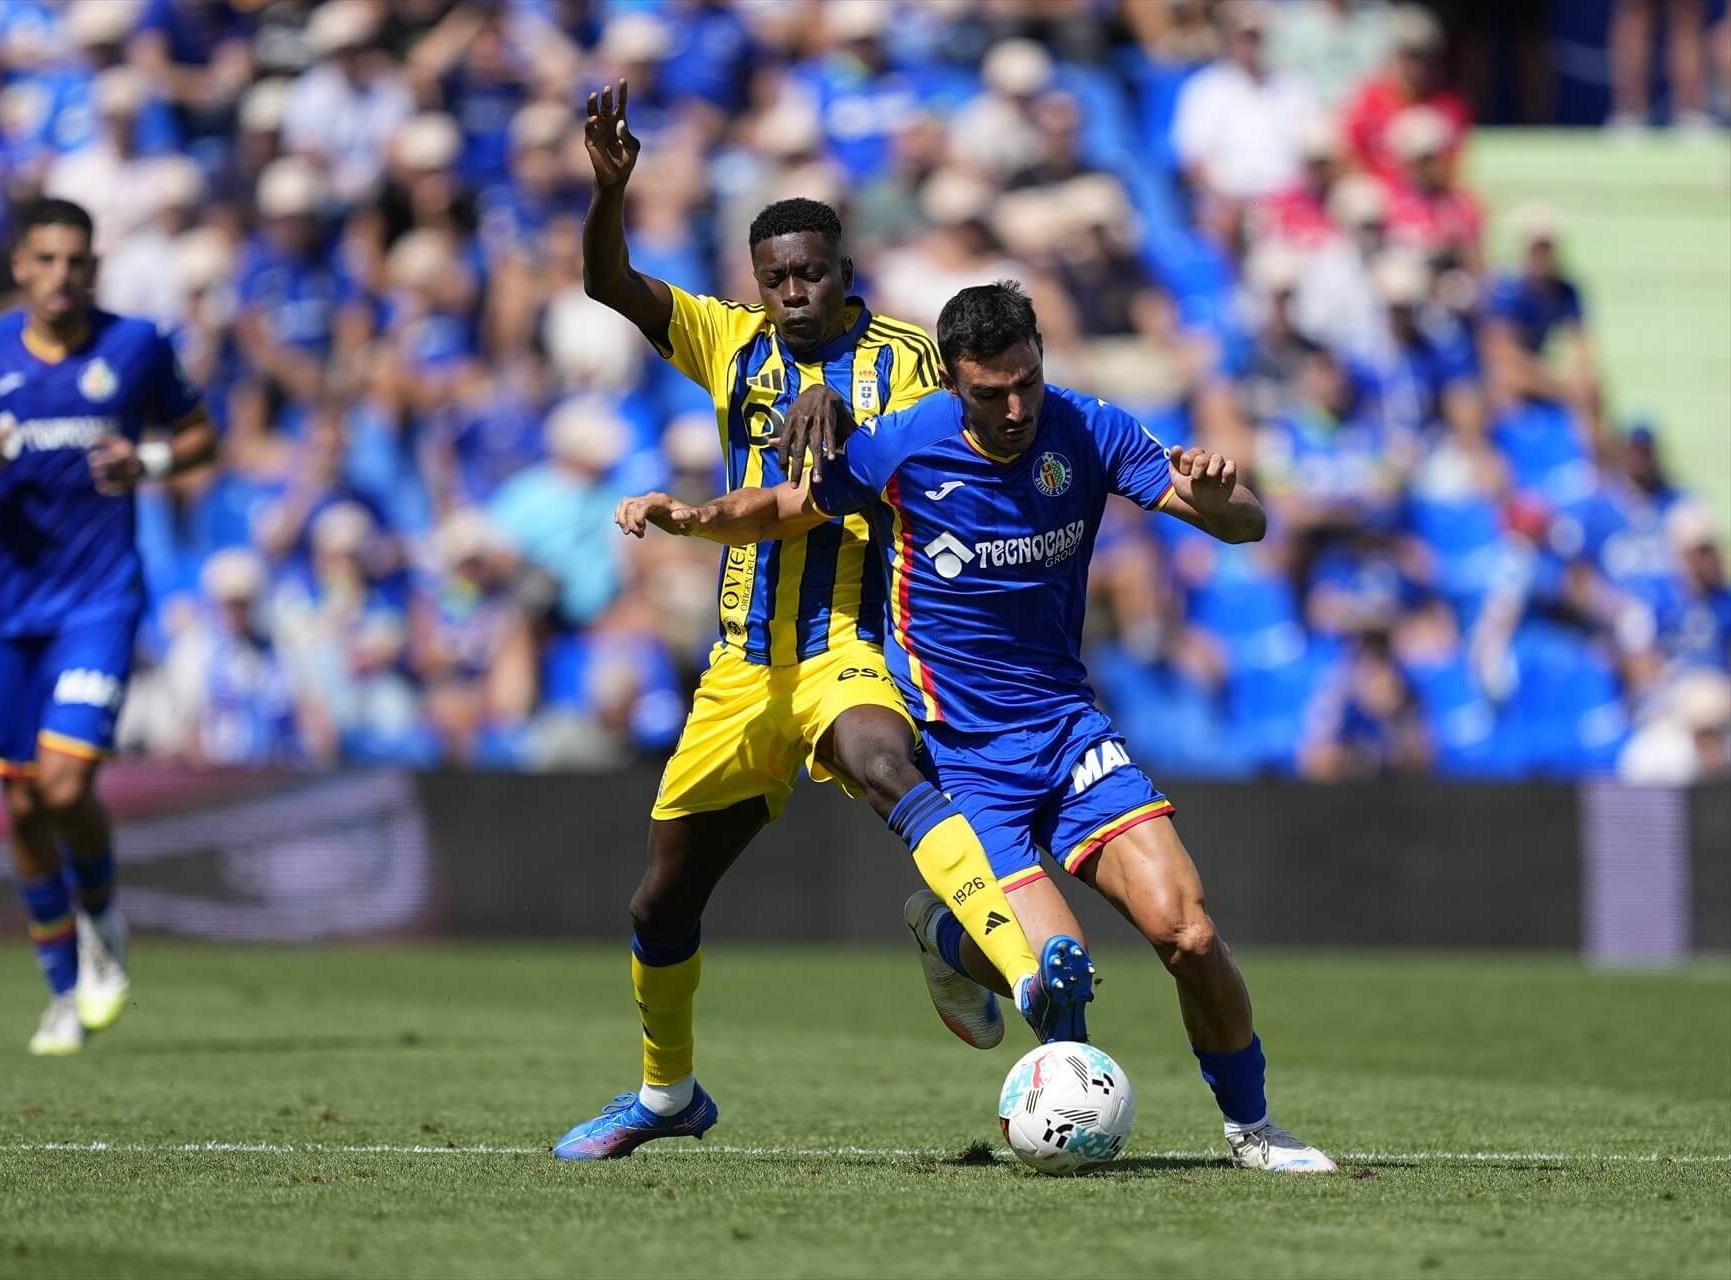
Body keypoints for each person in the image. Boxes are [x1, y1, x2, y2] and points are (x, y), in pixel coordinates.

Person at [620, 282, 1337, 1173]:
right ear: (955, 385)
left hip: (1069, 732)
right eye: (992, 393)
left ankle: (1254, 1131)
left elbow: (1243, 527)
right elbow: (782, 507)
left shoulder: (1087, 429)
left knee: (1186, 933)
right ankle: (953, 937)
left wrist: (1224, 496)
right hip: (964, 759)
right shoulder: (903, 445)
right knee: (1056, 981)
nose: (1015, 408)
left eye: (1027, 383)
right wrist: (692, 519)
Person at [551, 84, 1086, 1162]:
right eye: (776, 277)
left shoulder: (908, 355)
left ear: (847, 271)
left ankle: (1033, 977)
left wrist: (844, 422)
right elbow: (607, 281)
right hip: (743, 667)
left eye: (811, 272)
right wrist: (611, 191)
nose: (794, 293)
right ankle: (667, 1093)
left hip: (852, 639)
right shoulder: (728, 340)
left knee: (889, 762)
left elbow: (946, 440)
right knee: (662, 900)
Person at [0, 198, 218, 1054]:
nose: (62, 276)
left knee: (66, 784)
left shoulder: (137, 345)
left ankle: (103, 921)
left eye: (77, 261)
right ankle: (64, 991)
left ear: (94, 267)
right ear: (20, 265)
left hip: (99, 599)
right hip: (7, 611)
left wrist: (143, 459)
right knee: (22, 803)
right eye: (46, 260)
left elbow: (198, 437)